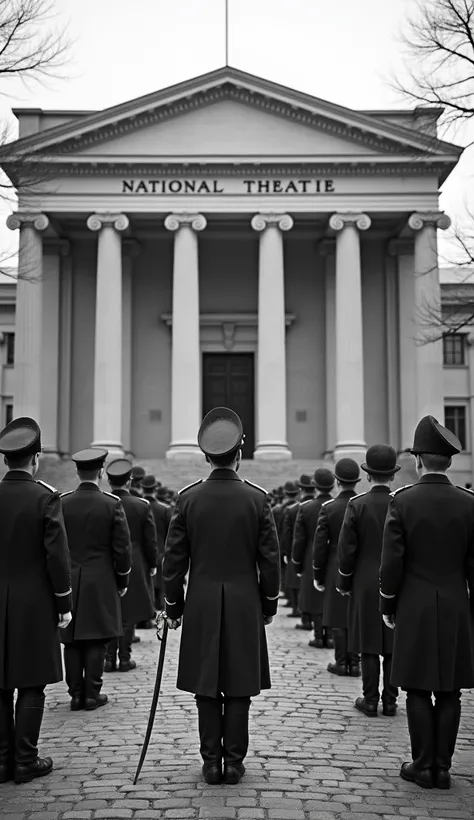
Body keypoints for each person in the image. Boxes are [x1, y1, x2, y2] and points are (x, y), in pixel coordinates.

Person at [163, 407, 280, 786]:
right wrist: (269, 603)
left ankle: (211, 762)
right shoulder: (257, 499)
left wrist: (173, 606)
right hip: (245, 602)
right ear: (239, 454)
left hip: (202, 602)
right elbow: (270, 560)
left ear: (207, 457)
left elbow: (174, 561)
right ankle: (234, 761)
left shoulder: (189, 498)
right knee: (240, 683)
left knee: (206, 686)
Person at [380, 415, 474, 790]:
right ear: (448, 461)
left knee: (417, 688)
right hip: (455, 605)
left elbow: (392, 563)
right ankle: (443, 768)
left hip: (414, 606)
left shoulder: (403, 501)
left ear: (418, 461)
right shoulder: (469, 503)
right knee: (450, 689)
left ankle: (422, 765)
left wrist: (388, 604)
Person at [0, 417, 72, 784]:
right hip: (33, 602)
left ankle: (1, 760)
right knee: (31, 682)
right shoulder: (46, 497)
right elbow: (56, 558)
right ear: (36, 458)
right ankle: (25, 759)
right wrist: (63, 603)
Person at [60, 449, 132, 711]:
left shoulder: (62, 502)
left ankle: (75, 694)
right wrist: (122, 579)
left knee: (71, 640)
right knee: (97, 638)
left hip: (69, 578)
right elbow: (122, 549)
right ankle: (92, 693)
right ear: (101, 472)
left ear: (78, 472)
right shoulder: (111, 504)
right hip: (101, 580)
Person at [337, 445, 399, 717]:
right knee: (392, 644)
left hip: (363, 581)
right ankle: (391, 701)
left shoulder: (357, 504)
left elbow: (346, 550)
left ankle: (370, 699)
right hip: (395, 581)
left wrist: (344, 581)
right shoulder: (402, 502)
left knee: (369, 644)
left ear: (368, 475)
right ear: (393, 475)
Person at [104, 459, 158, 672]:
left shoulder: (104, 502)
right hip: (135, 561)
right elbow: (150, 541)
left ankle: (108, 659)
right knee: (127, 615)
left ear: (108, 480)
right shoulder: (141, 505)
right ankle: (124, 658)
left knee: (111, 611)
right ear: (129, 480)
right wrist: (152, 564)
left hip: (108, 562)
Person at [313, 458, 361, 677]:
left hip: (335, 565)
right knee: (356, 615)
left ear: (337, 481)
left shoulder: (329, 508)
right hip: (360, 567)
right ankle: (356, 661)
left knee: (338, 616)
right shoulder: (363, 504)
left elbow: (320, 545)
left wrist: (318, 573)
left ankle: (342, 662)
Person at [292, 468, 334, 649]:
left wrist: (297, 563)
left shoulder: (306, 508)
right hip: (333, 557)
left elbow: (299, 540)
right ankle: (331, 636)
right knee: (331, 597)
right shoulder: (341, 505)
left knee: (316, 598)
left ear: (315, 486)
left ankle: (318, 635)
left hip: (311, 556)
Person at [141, 474, 171, 611]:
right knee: (160, 583)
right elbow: (169, 535)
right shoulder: (164, 509)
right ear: (155, 489)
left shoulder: (138, 506)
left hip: (140, 552)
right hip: (160, 550)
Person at [281, 479, 307, 619]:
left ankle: (295, 606)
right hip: (310, 550)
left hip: (293, 548)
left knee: (291, 580)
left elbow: (285, 533)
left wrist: (284, 550)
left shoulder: (284, 509)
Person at [272, 481, 299, 608]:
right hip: (295, 544)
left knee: (286, 572)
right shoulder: (296, 508)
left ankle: (289, 597)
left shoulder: (279, 509)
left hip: (283, 543)